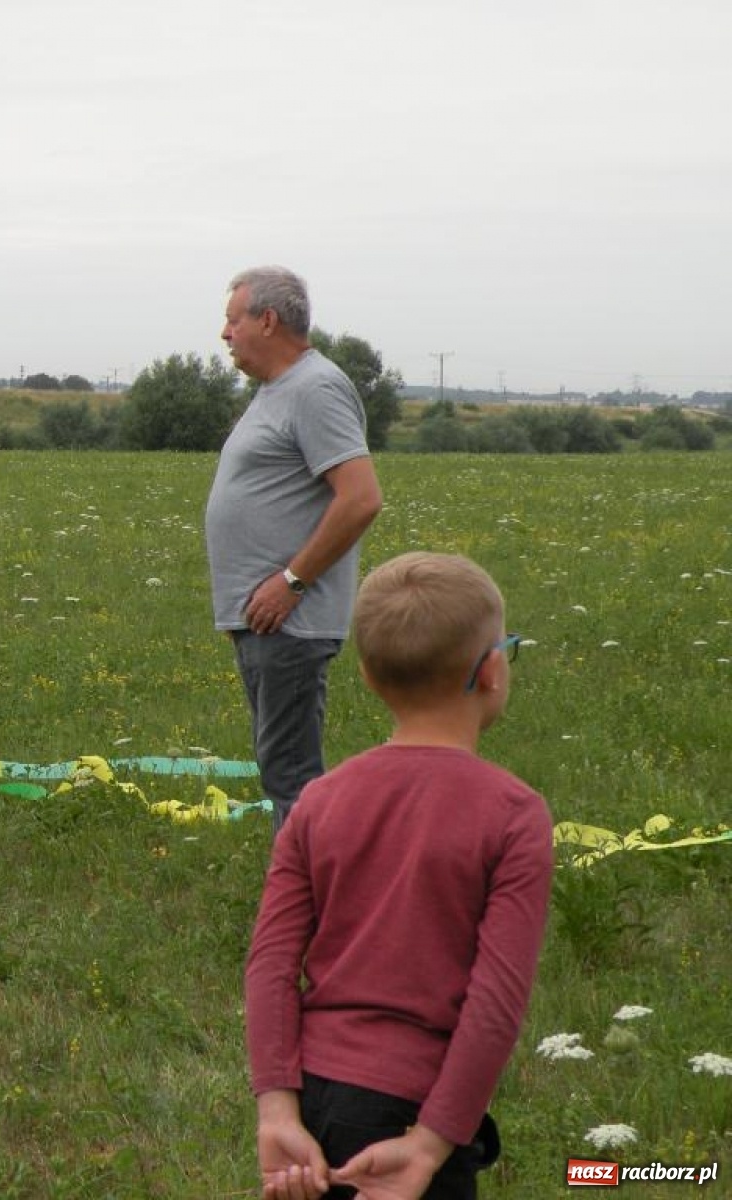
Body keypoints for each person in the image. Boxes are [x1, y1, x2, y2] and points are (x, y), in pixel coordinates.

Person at [244, 551, 554, 1200]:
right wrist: (432, 1142)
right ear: (493, 670)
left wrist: (277, 1111)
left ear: (366, 675)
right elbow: (495, 1001)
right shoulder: (515, 815)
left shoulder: (319, 800)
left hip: (315, 1105)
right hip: (417, 1109)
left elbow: (271, 961)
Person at [204, 266, 383, 833]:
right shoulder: (277, 391)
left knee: (291, 773)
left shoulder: (315, 388)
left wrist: (292, 582)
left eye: (233, 320)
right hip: (265, 620)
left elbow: (360, 499)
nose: (225, 334)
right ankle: (308, 898)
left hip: (289, 620)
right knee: (281, 767)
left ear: (267, 319)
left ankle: (310, 905)